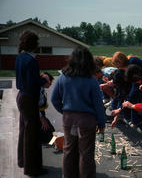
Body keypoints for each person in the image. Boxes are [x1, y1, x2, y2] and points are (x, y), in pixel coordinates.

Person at [51, 46, 105, 178]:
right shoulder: (91, 80)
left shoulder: (63, 77)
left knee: (68, 150)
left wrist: (64, 112)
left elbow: (54, 99)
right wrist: (102, 123)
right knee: (85, 153)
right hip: (87, 121)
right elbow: (99, 105)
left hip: (69, 119)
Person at [15, 30, 50, 176]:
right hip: (29, 98)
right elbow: (32, 83)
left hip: (21, 96)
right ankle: (32, 168)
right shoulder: (31, 60)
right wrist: (44, 81)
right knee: (32, 134)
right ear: (33, 44)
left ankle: (22, 160)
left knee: (24, 130)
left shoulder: (20, 57)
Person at [111, 52, 142, 125]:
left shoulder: (132, 64)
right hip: (140, 84)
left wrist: (121, 108)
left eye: (117, 66)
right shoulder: (125, 67)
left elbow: (135, 87)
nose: (118, 68)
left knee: (135, 120)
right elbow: (121, 90)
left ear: (119, 63)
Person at [39, 72, 55, 144]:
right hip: (38, 116)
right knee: (49, 134)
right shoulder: (38, 91)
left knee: (51, 132)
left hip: (41, 114)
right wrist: (42, 119)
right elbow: (34, 107)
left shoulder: (41, 89)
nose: (51, 83)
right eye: (49, 81)